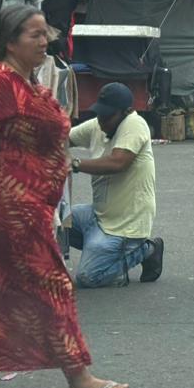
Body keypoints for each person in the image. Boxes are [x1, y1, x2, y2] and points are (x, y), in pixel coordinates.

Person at [0, 4, 130, 388]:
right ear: (9, 41)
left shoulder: (31, 82)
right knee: (54, 285)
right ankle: (80, 381)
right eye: (34, 35)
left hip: (27, 206)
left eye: (46, 33)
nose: (44, 42)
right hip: (8, 210)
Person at [64, 83, 162, 288]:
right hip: (99, 217)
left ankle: (146, 249)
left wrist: (74, 164)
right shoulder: (98, 125)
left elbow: (118, 162)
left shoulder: (135, 124)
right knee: (58, 222)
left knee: (89, 277)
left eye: (108, 117)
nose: (102, 122)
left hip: (126, 226)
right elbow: (64, 138)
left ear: (127, 111)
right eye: (100, 114)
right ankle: (109, 253)